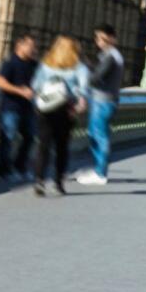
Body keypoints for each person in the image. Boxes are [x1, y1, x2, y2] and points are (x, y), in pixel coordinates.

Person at [31, 36, 89, 196]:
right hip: (66, 110)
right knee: (61, 148)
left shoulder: (45, 65)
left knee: (43, 146)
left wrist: (38, 104)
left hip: (46, 110)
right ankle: (58, 182)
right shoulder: (79, 68)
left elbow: (35, 87)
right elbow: (83, 91)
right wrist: (79, 105)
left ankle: (39, 180)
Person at [75, 25, 123, 186]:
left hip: (103, 101)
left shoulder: (110, 56)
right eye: (97, 38)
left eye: (102, 38)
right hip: (106, 100)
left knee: (99, 136)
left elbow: (97, 78)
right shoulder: (112, 56)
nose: (98, 42)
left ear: (112, 38)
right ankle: (99, 169)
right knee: (96, 135)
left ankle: (100, 173)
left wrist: (83, 76)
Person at [0, 34, 39, 182]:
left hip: (28, 107)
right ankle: (4, 171)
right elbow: (0, 82)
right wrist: (20, 91)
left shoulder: (34, 64)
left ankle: (21, 166)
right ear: (20, 45)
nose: (33, 49)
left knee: (30, 137)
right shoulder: (10, 63)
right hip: (10, 107)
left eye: (34, 46)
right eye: (30, 46)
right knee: (8, 138)